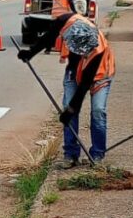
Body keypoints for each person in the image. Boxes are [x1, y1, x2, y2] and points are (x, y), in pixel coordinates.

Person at [17, 11, 115, 168]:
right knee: (68, 109)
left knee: (97, 111)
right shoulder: (65, 20)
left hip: (100, 74)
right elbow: (48, 37)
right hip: (73, 71)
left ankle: (97, 155)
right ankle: (70, 154)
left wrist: (71, 109)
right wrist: (31, 53)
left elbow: (84, 85)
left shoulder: (98, 50)